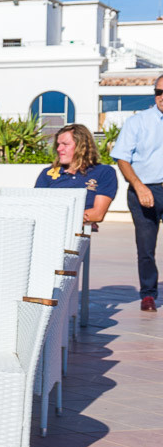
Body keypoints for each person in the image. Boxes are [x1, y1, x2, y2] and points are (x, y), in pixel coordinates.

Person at [112, 73, 163, 311]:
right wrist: (139, 185)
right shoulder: (137, 122)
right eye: (159, 92)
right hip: (144, 189)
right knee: (146, 248)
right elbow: (122, 158)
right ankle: (148, 294)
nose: (162, 97)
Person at [36, 123, 117, 227]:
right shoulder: (48, 173)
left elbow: (97, 214)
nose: (59, 149)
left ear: (82, 147)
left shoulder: (103, 172)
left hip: (80, 232)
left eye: (65, 144)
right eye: (58, 144)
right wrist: (78, 216)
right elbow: (37, 209)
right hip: (49, 229)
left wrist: (56, 216)